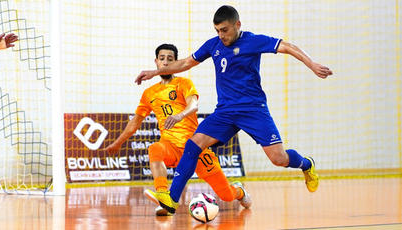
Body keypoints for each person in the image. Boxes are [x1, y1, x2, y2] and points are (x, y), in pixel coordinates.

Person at [135, 5, 333, 214]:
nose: (221, 35)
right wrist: (156, 72)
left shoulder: (253, 41)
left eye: (225, 30)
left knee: (279, 159)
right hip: (225, 111)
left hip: (253, 109)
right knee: (193, 146)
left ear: (237, 25)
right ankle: (172, 200)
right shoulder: (213, 45)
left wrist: (312, 64)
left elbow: (288, 46)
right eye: (217, 30)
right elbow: (185, 62)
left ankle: (306, 164)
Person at [105, 44, 251, 216]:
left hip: (195, 147)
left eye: (170, 59)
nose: (165, 63)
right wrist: (117, 143)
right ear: (156, 61)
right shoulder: (149, 93)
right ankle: (164, 195)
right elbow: (134, 123)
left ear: (175, 62)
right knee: (154, 149)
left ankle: (239, 191)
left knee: (226, 195)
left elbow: (194, 105)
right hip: (171, 147)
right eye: (162, 58)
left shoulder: (184, 83)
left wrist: (180, 115)